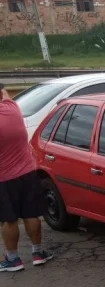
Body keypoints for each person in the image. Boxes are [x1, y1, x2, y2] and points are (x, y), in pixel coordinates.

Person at [0, 88, 53, 271]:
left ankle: (13, 259)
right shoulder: (12, 109)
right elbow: (4, 93)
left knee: (10, 220)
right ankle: (38, 253)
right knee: (32, 214)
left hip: (4, 179)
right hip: (27, 173)